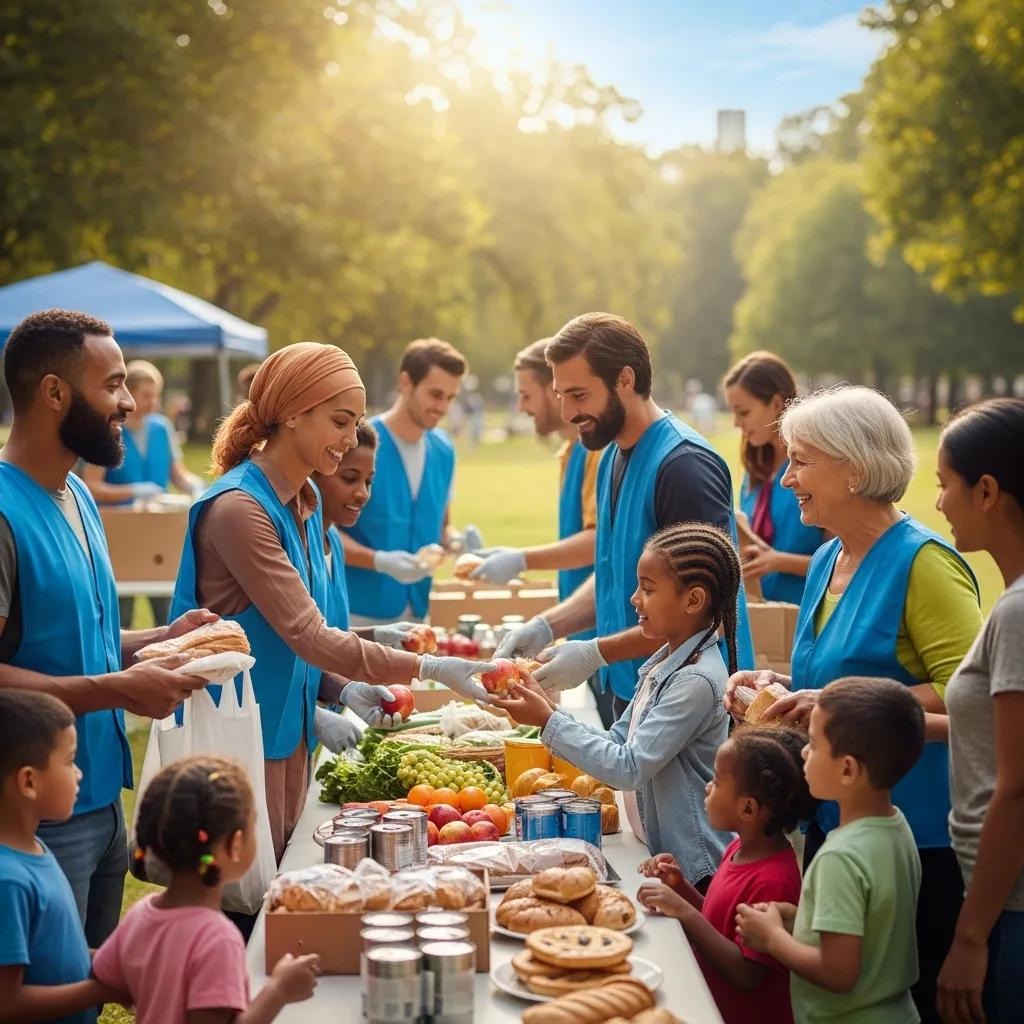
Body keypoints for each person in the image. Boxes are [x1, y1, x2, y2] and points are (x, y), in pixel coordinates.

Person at [170, 342, 492, 862]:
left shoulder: (302, 499)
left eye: (356, 422)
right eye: (341, 422)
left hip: (281, 733)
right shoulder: (240, 509)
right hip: (237, 740)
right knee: (240, 906)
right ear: (293, 414)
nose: (350, 440)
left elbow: (288, 635)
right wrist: (430, 665)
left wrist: (343, 689)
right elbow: (308, 633)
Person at [724, 385, 983, 1024]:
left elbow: (970, 694)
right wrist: (778, 689)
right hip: (838, 826)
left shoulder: (925, 563)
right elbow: (831, 681)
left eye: (803, 462)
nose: (786, 481)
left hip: (917, 843)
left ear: (858, 469)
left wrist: (836, 699)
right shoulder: (826, 558)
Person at [0, 309, 213, 945]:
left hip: (96, 800)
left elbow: (74, 643)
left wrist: (157, 641)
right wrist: (119, 690)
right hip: (29, 815)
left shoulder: (80, 495)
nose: (128, 402)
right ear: (55, 392)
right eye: (113, 384)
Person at [496, 312, 753, 716]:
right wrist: (548, 627)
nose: (566, 413)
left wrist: (597, 652)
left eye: (579, 395)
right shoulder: (611, 453)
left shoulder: (685, 468)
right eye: (561, 395)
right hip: (636, 694)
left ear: (626, 380)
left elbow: (703, 619)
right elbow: (617, 576)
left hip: (689, 707)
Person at [490, 522, 738, 885]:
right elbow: (618, 741)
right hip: (661, 856)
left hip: (693, 869)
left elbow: (627, 767)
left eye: (648, 589)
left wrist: (546, 721)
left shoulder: (695, 681)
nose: (634, 598)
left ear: (693, 600)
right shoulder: (665, 662)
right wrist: (547, 708)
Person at [736, 677, 925, 1024]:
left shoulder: (840, 857)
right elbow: (869, 928)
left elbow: (838, 973)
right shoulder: (896, 829)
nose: (804, 751)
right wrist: (800, 918)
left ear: (848, 769)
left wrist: (772, 938)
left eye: (814, 744)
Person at [94, 756, 320, 1023]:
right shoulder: (218, 937)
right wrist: (279, 990)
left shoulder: (141, 914)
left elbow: (104, 974)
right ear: (235, 845)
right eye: (253, 824)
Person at [933, 398, 1024, 1024]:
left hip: (1008, 908)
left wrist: (969, 939)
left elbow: (1016, 790)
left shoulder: (1017, 614)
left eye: (945, 484)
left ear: (986, 490)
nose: (938, 502)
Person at [470, 337, 613, 726]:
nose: (520, 407)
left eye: (526, 395)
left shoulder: (597, 453)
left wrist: (521, 559)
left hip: (608, 633)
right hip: (583, 626)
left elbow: (596, 543)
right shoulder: (570, 453)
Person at [637, 726, 814, 1024]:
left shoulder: (774, 880)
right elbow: (720, 922)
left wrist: (683, 913)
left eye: (717, 782)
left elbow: (747, 973)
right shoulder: (739, 847)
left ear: (748, 808)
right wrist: (681, 888)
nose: (708, 787)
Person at [341, 338, 480, 627]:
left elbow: (442, 525)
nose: (442, 407)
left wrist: (457, 542)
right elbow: (320, 529)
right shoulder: (358, 441)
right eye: (435, 394)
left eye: (450, 398)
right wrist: (378, 560)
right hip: (357, 615)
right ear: (406, 383)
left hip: (418, 615)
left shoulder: (444, 449)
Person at [0, 691, 118, 1024]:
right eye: (70, 761)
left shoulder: (34, 847)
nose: (79, 773)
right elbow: (6, 1004)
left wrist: (117, 963)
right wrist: (102, 989)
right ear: (28, 781)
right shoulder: (8, 881)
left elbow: (58, 956)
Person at [81, 359, 204, 627]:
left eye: (156, 395)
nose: (153, 402)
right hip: (121, 533)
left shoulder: (161, 428)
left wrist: (195, 487)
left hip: (158, 530)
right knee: (121, 613)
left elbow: (177, 474)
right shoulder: (110, 428)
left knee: (166, 610)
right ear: (129, 394)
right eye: (147, 395)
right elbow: (91, 485)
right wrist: (134, 491)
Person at [723, 352, 825, 604]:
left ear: (777, 404)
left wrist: (778, 561)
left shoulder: (816, 467)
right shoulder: (753, 473)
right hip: (759, 616)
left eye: (743, 412)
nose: (737, 423)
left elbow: (847, 560)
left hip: (804, 615)